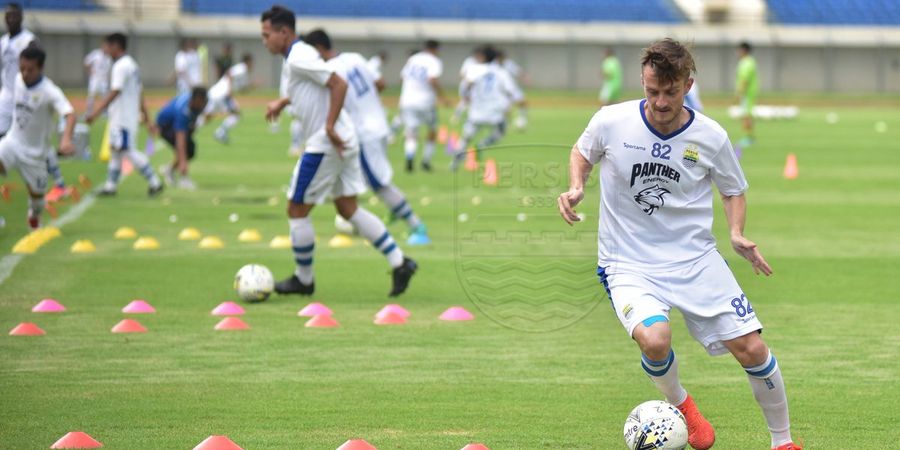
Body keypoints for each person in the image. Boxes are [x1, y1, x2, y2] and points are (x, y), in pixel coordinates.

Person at [557, 38, 800, 450]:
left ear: (688, 84)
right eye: (653, 91)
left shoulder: (711, 136)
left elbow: (732, 189)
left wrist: (736, 233)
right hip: (627, 261)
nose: (661, 101)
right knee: (655, 338)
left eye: (670, 92)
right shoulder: (611, 121)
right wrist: (576, 186)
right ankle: (683, 405)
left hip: (694, 258)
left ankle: (784, 442)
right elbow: (582, 151)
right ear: (643, 81)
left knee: (753, 348)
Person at [259, 5, 417, 297]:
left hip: (325, 143)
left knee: (296, 209)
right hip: (345, 140)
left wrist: (329, 125)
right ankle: (400, 262)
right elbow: (314, 86)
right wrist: (283, 102)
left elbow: (337, 83)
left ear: (284, 32)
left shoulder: (299, 57)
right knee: (347, 208)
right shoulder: (299, 56)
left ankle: (304, 280)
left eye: (267, 35)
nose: (264, 41)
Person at [304, 29, 430, 246]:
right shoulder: (355, 57)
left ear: (317, 48)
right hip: (379, 124)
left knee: (378, 184)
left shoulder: (329, 69)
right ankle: (390, 212)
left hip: (363, 133)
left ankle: (416, 226)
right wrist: (366, 102)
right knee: (361, 178)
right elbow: (380, 83)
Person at [0, 46, 75, 230]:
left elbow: (70, 114)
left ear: (40, 68)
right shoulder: (17, 80)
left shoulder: (50, 91)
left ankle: (34, 215)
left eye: (30, 69)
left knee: (38, 201)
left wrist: (65, 139)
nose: (25, 73)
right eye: (22, 68)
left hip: (35, 155)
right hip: (12, 143)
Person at [86, 32, 163, 197]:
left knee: (127, 150)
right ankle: (110, 186)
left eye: (107, 45)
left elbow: (115, 91)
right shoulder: (132, 65)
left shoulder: (120, 66)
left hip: (122, 117)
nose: (105, 50)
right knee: (116, 150)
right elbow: (140, 93)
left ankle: (154, 181)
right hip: (125, 116)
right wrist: (147, 119)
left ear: (116, 46)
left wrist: (96, 112)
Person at [451, 45, 524, 170]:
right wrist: (519, 112)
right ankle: (482, 145)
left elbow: (465, 87)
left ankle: (455, 163)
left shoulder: (474, 70)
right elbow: (511, 92)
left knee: (465, 138)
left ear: (483, 57)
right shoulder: (501, 72)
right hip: (495, 113)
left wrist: (466, 97)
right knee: (500, 132)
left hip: (476, 112)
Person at [398, 39, 449, 172]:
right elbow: (432, 79)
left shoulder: (413, 58)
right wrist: (442, 97)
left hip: (407, 100)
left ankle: (410, 157)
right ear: (435, 49)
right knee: (432, 130)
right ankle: (426, 161)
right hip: (426, 102)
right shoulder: (434, 61)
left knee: (411, 132)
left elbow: (402, 77)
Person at [157, 87, 208, 190]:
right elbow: (181, 143)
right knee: (185, 149)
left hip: (182, 124)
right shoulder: (183, 110)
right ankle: (183, 178)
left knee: (190, 150)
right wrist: (184, 170)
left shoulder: (201, 102)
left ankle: (169, 170)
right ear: (195, 99)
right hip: (166, 126)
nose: (203, 105)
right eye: (201, 102)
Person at [203, 53, 253, 144]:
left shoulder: (243, 71)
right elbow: (229, 73)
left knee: (206, 117)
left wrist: (254, 85)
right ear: (248, 61)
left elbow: (242, 89)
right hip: (223, 95)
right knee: (236, 114)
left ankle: (184, 130)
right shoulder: (242, 68)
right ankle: (220, 132)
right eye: (251, 62)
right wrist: (229, 90)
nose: (252, 65)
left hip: (215, 93)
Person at [735, 41, 758, 148]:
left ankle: (747, 138)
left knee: (746, 115)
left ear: (743, 50)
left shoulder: (746, 63)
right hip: (750, 93)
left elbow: (745, 79)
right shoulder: (751, 61)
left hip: (747, 93)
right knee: (747, 114)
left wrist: (740, 92)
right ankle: (749, 137)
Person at [83, 42, 111, 116]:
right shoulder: (96, 53)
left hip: (104, 79)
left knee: (105, 96)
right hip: (95, 78)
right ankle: (89, 111)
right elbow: (86, 61)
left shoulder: (109, 56)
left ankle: (105, 112)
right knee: (91, 94)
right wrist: (90, 72)